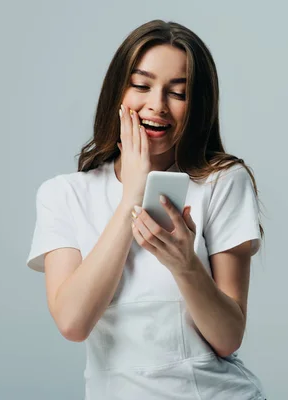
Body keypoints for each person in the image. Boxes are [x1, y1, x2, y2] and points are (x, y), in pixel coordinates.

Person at [26, 20, 266, 400]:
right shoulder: (64, 194)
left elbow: (227, 339)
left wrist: (185, 264)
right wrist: (131, 199)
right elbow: (73, 322)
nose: (157, 104)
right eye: (141, 85)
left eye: (179, 93)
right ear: (117, 93)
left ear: (197, 106)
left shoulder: (222, 182)